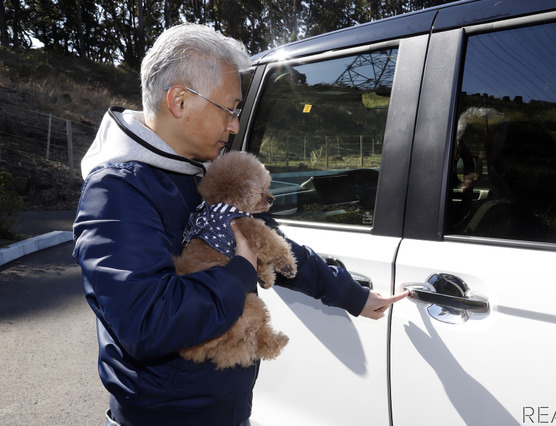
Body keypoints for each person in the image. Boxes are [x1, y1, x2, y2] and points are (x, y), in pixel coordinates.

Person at [72, 23, 407, 426]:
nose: (234, 125)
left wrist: (350, 293)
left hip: (228, 406)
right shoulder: (118, 191)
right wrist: (241, 272)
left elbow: (265, 241)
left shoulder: (205, 172)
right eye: (230, 109)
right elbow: (148, 322)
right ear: (179, 100)